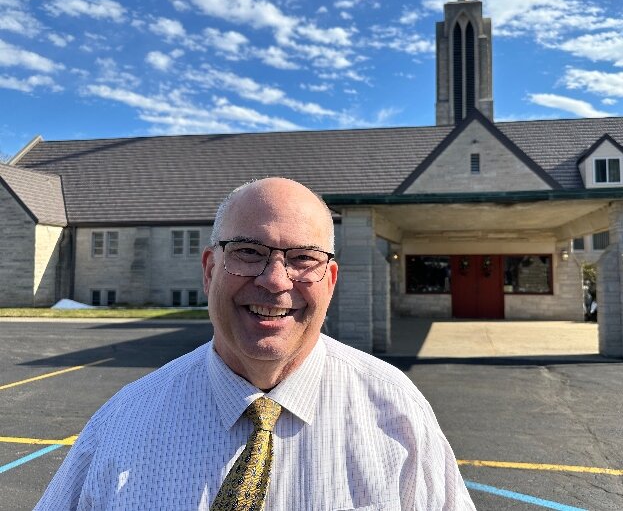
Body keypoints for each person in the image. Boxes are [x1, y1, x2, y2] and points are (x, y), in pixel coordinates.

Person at [36, 177, 476, 510]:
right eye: (248, 251)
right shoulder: (122, 422)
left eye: (304, 258)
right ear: (209, 270)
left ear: (331, 280)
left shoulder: (397, 412)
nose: (275, 280)